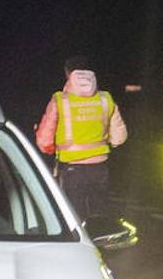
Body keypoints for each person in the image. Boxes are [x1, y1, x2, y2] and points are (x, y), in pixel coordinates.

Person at [36, 56, 128, 217]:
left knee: (73, 215)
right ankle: (100, 240)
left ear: (68, 73)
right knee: (99, 214)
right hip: (100, 167)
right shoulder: (105, 98)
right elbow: (119, 137)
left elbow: (44, 140)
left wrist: (50, 148)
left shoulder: (60, 100)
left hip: (71, 168)